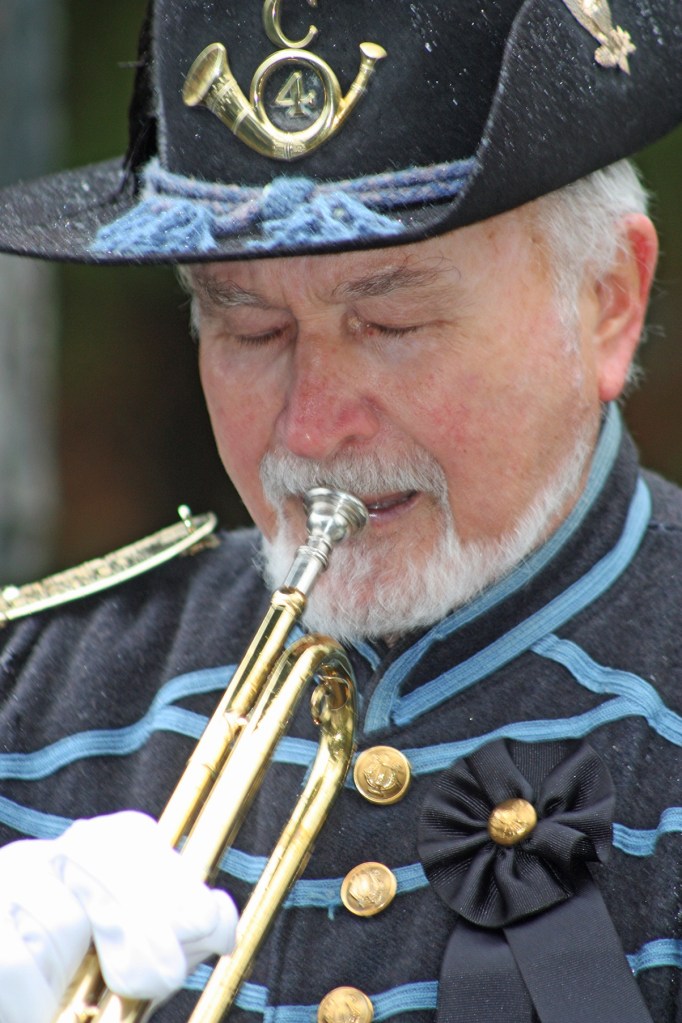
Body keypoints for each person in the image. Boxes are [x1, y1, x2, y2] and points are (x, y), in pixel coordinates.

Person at [0, 0, 681, 1021]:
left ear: (607, 303)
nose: (310, 432)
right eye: (252, 328)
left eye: (391, 322)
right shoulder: (31, 692)